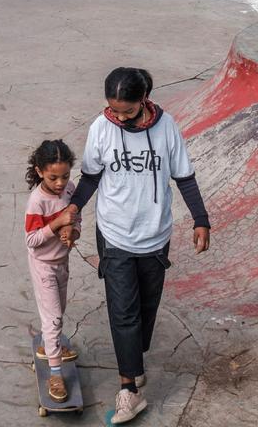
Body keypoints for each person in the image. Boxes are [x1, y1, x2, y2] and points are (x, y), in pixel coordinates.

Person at [61, 68, 210, 424]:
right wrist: (74, 206)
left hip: (155, 234)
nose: (120, 117)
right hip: (114, 234)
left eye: (127, 111)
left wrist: (201, 219)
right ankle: (129, 388)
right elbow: (92, 175)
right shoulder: (101, 127)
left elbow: (184, 176)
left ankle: (134, 360)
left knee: (146, 307)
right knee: (123, 311)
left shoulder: (166, 127)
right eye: (114, 110)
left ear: (143, 100)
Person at [24, 139, 82, 403]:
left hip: (62, 262)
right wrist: (57, 223)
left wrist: (73, 231)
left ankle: (52, 346)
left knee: (60, 310)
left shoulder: (69, 189)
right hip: (43, 265)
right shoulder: (37, 201)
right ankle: (55, 372)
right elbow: (32, 240)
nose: (60, 183)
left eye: (65, 176)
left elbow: (75, 216)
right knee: (53, 318)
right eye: (53, 177)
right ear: (39, 171)